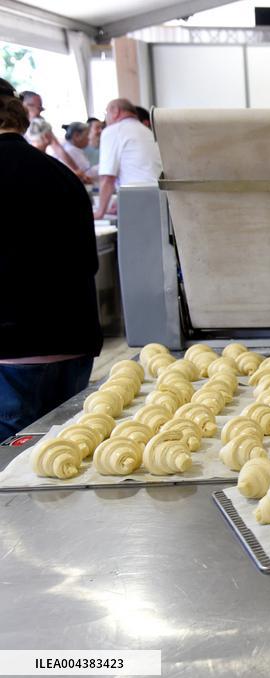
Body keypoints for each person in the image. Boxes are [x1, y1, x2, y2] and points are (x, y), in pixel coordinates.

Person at [0, 78, 102, 439]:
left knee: (14, 470)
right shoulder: (61, 174)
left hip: (14, 348)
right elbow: (89, 261)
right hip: (74, 337)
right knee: (69, 450)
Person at [94, 98, 162, 220]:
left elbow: (107, 178)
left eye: (106, 114)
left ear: (115, 111)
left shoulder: (113, 131)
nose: (105, 119)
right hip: (161, 199)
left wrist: (100, 212)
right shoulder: (147, 131)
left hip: (138, 200)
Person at [20, 90, 83, 177]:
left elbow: (57, 147)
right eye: (38, 108)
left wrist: (76, 170)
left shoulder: (41, 123)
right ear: (25, 106)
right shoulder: (15, 124)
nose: (39, 113)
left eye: (41, 109)